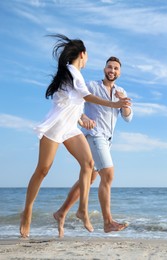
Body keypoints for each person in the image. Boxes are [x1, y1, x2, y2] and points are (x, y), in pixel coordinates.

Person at [19, 35, 130, 238]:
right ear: (82, 54)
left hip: (71, 128)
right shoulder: (73, 72)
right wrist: (113, 104)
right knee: (42, 170)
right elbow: (86, 97)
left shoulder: (75, 74)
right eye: (87, 56)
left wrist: (82, 118)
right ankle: (27, 212)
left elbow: (75, 103)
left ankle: (81, 211)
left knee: (88, 165)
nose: (88, 60)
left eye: (116, 68)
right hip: (55, 126)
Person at [53, 56, 132, 237]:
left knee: (89, 180)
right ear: (104, 69)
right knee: (109, 174)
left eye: (116, 68)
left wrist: (124, 101)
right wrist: (84, 118)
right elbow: (73, 101)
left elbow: (128, 117)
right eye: (109, 67)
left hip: (108, 140)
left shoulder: (121, 91)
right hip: (94, 136)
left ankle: (61, 212)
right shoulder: (91, 86)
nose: (112, 71)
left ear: (119, 72)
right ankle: (108, 222)